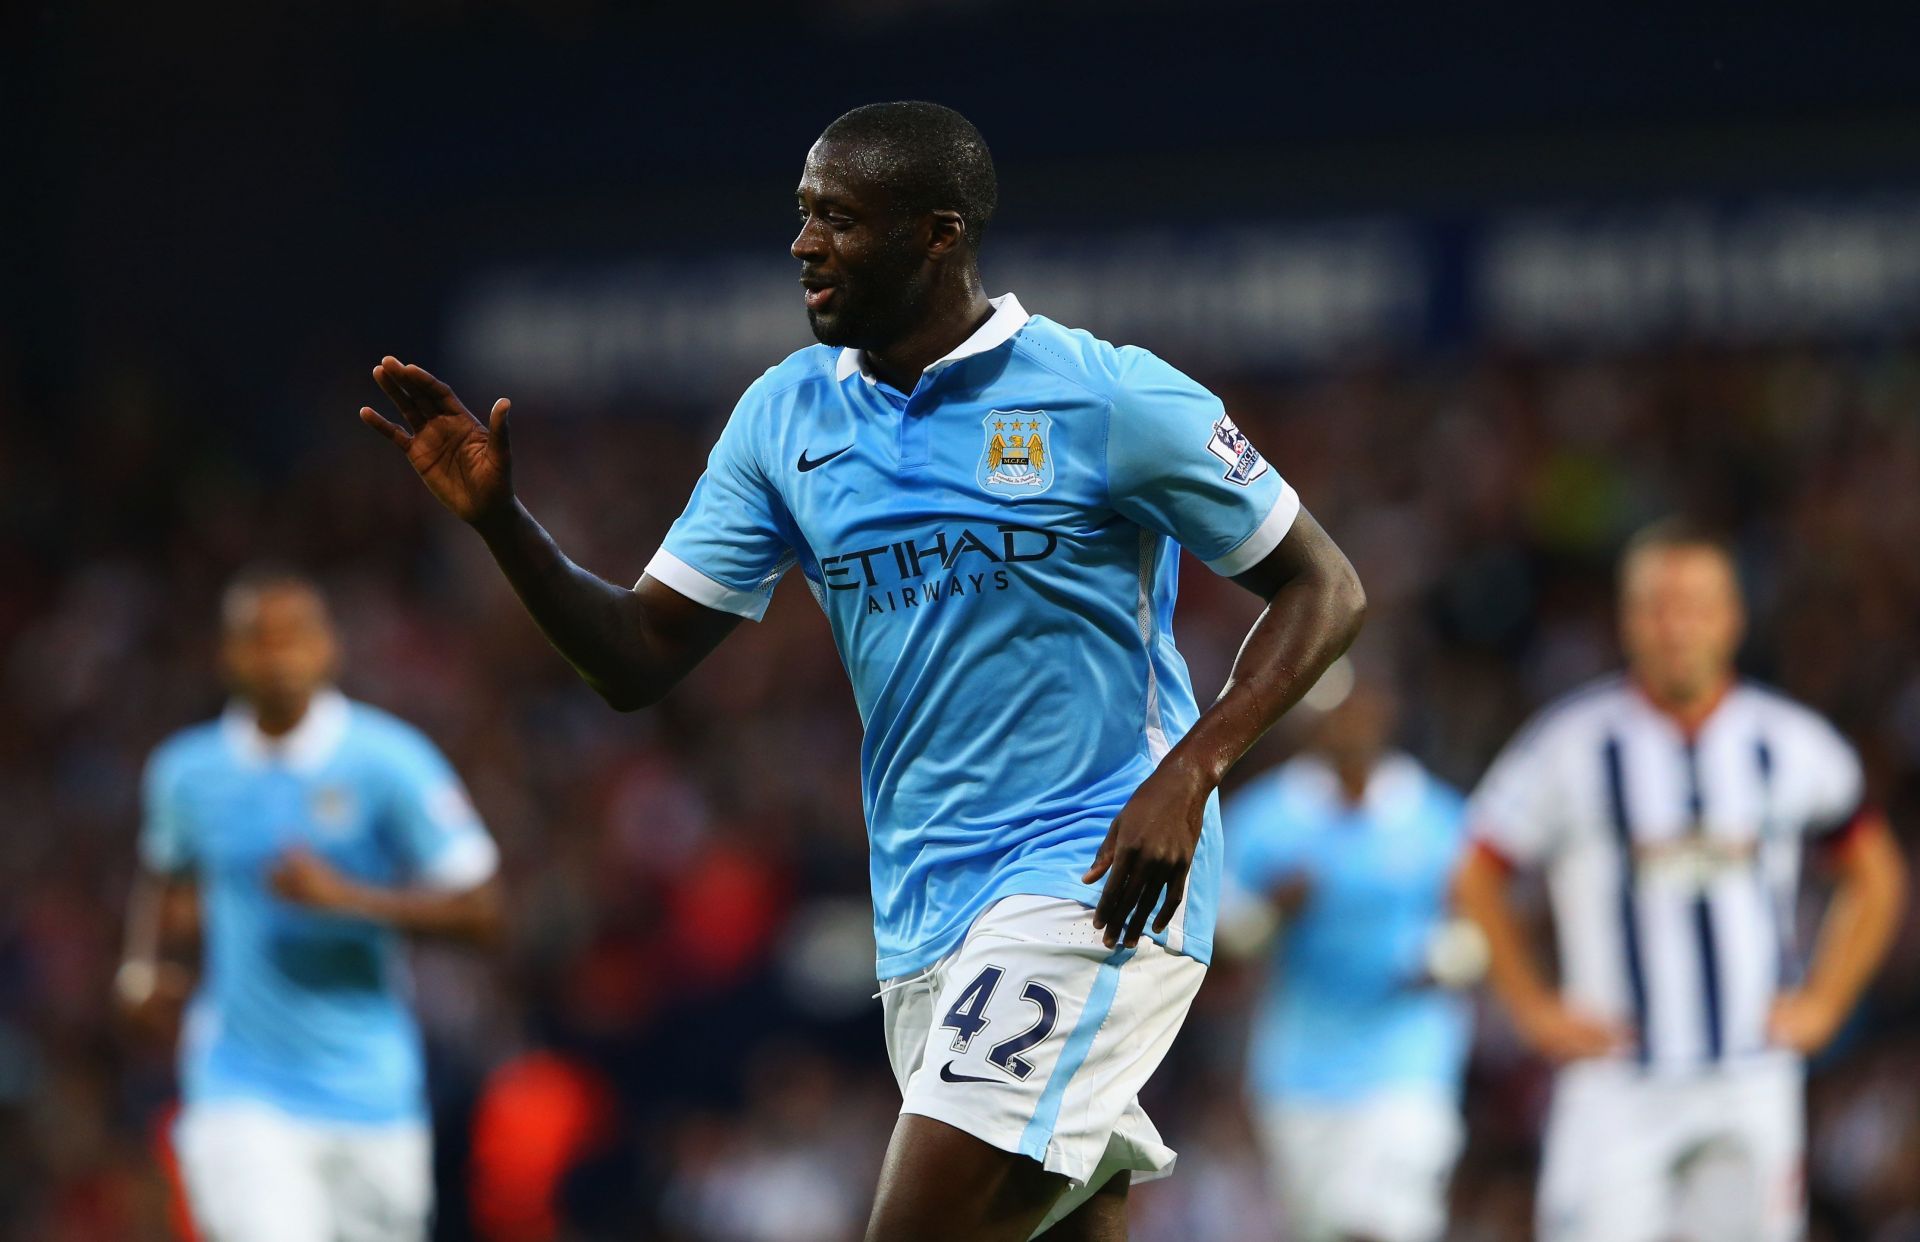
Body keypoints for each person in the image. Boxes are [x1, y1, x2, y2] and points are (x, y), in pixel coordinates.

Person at [359, 101, 1365, 1241]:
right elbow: (636, 657)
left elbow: (1325, 586)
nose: (803, 244)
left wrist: (1191, 772)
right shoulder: (783, 418)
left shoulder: (1107, 394)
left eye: (836, 216)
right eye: (801, 216)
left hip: (1091, 879)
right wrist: (504, 526)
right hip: (924, 918)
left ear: (938, 235)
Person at [1452, 519, 1907, 1242]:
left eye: (1695, 604)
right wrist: (1533, 1008)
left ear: (1732, 617)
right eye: (1657, 606)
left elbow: (1875, 873)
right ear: (1628, 620)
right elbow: (1476, 872)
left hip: (1748, 1076)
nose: (1676, 627)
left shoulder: (1789, 744)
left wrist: (1824, 1001)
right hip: (1615, 1079)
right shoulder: (1569, 745)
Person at [118, 570, 505, 1242]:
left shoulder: (390, 763)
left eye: (294, 638)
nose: (278, 658)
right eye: (257, 641)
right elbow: (166, 876)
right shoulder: (186, 772)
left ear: (329, 649)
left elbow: (485, 911)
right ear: (227, 655)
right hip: (241, 1090)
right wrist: (143, 967)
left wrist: (347, 899)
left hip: (373, 1093)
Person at [1223, 677, 1474, 1242]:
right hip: (1297, 1069)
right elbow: (1217, 943)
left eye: (1363, 708)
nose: (1351, 723)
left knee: (1387, 1224)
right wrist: (1271, 914)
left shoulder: (1435, 817)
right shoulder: (1266, 817)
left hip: (1408, 1061)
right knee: (1319, 1228)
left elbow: (1480, 930)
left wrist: (1444, 961)